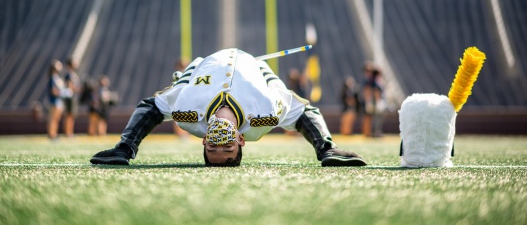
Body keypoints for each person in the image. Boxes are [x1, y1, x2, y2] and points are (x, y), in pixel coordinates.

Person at [90, 48, 367, 167]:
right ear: (241, 140)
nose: (219, 144)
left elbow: (150, 105)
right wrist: (326, 148)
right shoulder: (265, 113)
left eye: (212, 148)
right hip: (256, 64)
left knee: (180, 84)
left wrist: (125, 148)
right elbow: (305, 111)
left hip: (202, 63)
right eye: (227, 148)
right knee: (279, 88)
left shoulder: (187, 114)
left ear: (203, 143)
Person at [46, 60, 71, 140]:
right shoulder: (53, 77)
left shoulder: (56, 77)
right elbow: (53, 91)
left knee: (56, 119)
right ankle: (52, 134)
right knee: (53, 119)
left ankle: (54, 134)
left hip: (59, 102)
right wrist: (63, 93)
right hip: (55, 101)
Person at [63, 58, 80, 137]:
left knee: (72, 115)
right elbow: (70, 86)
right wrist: (78, 89)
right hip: (70, 97)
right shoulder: (69, 74)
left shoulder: (73, 74)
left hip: (73, 97)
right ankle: (68, 132)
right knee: (69, 115)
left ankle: (70, 132)